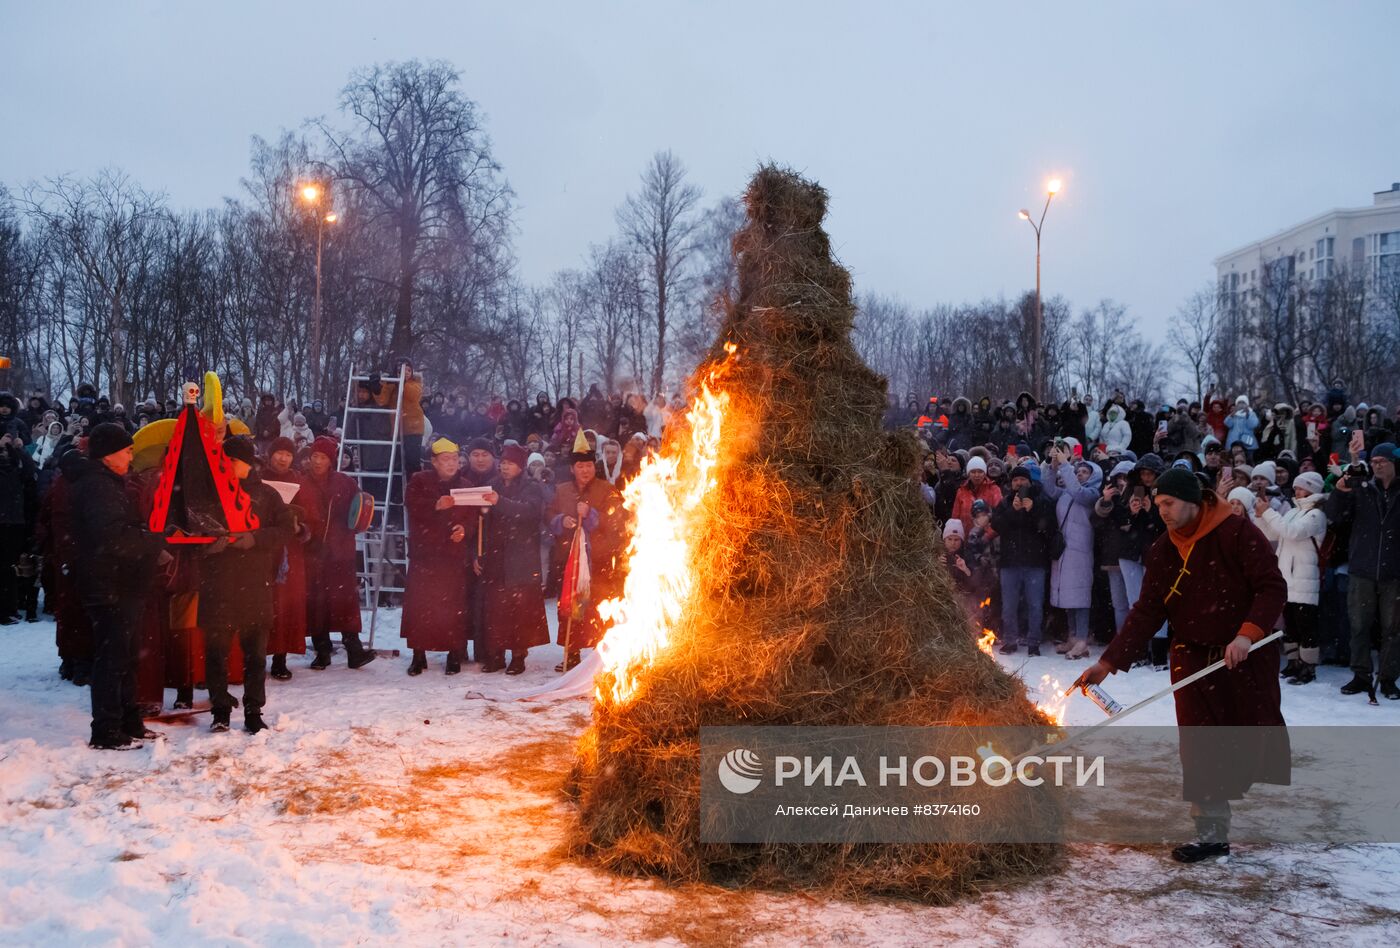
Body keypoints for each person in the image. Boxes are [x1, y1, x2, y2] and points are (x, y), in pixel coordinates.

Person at [1074, 467, 1288, 863]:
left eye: (1169, 503)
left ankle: (1221, 811)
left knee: (1240, 739)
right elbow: (1147, 611)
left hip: (1240, 657)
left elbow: (1272, 586)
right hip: (1190, 657)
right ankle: (1210, 831)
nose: (1163, 511)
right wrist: (1107, 662)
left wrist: (1246, 634)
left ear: (1193, 500)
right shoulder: (1161, 549)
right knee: (1200, 747)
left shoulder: (1237, 532)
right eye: (1158, 504)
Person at [70, 423, 167, 750]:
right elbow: (111, 537)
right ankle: (106, 730)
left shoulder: (110, 483)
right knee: (113, 658)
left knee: (126, 656)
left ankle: (129, 721)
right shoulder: (97, 487)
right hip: (108, 583)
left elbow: (121, 529)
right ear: (109, 455)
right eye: (126, 450)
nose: (131, 455)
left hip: (121, 582)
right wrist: (152, 541)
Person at [198, 436, 294, 733]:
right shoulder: (207, 493)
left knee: (255, 654)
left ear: (248, 463)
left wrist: (254, 539)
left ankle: (253, 709)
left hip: (254, 583)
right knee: (216, 652)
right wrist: (204, 546)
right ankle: (219, 708)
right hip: (218, 584)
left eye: (233, 461)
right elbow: (188, 531)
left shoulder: (266, 494)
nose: (226, 467)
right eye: (223, 461)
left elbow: (285, 529)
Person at [1325, 442, 1400, 699]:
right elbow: (1335, 515)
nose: (1378, 464)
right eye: (1375, 460)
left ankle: (1388, 679)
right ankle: (1361, 674)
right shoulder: (1363, 489)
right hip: (1362, 569)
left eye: (1383, 460)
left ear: (1393, 463)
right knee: (1359, 625)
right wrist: (1339, 491)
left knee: (1393, 629)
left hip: (1394, 571)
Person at [549, 431, 626, 672]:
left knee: (597, 607)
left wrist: (591, 515)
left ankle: (598, 656)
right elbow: (548, 515)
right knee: (572, 608)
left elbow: (617, 521)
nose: (585, 470)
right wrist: (562, 521)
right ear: (573, 468)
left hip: (599, 560)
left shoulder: (607, 489)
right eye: (580, 466)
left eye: (589, 465)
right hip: (570, 559)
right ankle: (571, 654)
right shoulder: (561, 490)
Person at [402, 438, 475, 675]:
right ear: (434, 462)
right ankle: (418, 654)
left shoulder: (466, 485)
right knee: (421, 606)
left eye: (454, 459)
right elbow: (411, 504)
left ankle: (454, 654)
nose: (451, 464)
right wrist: (435, 504)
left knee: (452, 607)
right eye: (445, 460)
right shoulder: (419, 481)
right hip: (425, 555)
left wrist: (464, 531)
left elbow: (473, 518)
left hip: (452, 557)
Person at [301, 436, 375, 670]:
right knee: (317, 602)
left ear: (330, 460)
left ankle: (354, 650)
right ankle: (322, 652)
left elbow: (360, 508)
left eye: (322, 457)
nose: (317, 461)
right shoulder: (301, 484)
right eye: (314, 456)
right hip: (313, 551)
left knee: (345, 602)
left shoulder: (345, 482)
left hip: (341, 551)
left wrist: (359, 523)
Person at [479, 443, 550, 674]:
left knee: (520, 609)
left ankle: (518, 655)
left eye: (509, 463)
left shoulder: (532, 487)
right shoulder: (494, 485)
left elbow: (528, 512)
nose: (504, 467)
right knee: (497, 608)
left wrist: (499, 502)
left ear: (520, 466)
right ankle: (496, 654)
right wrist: (484, 511)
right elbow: (484, 519)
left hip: (521, 557)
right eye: (503, 463)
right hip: (497, 556)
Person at [1253, 471, 1328, 685]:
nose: (1297, 490)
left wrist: (1268, 512)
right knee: (1291, 624)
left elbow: (1292, 532)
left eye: (1302, 487)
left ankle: (1308, 667)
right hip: (1287, 577)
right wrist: (1261, 516)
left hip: (1304, 578)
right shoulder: (1294, 512)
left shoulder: (1316, 515)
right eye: (1296, 487)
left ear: (1313, 489)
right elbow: (1273, 534)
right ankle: (1294, 662)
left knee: (1306, 626)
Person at [1041, 448, 1102, 659]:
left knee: (1080, 597)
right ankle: (1073, 637)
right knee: (1068, 595)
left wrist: (1066, 464)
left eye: (1085, 472)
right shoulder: (1067, 492)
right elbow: (1049, 489)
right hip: (1064, 550)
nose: (1080, 474)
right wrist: (1053, 466)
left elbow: (1078, 492)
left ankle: (1083, 640)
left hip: (1080, 551)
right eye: (1079, 471)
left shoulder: (1092, 494)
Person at [991, 464, 1056, 655]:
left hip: (1035, 562)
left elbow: (1049, 527)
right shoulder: (1005, 502)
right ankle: (1010, 640)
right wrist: (1012, 510)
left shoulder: (1042, 499)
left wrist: (1033, 510)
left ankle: (1033, 641)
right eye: (1016, 480)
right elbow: (997, 526)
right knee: (1009, 605)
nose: (1019, 483)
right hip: (1010, 563)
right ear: (1012, 483)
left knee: (1035, 604)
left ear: (1029, 481)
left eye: (1022, 479)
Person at [262, 437, 308, 679]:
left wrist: (300, 527)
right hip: (262, 549)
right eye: (278, 453)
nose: (283, 458)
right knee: (261, 604)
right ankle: (257, 655)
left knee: (286, 604)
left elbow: (310, 516)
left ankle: (280, 657)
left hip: (290, 552)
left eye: (288, 454)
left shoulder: (299, 481)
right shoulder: (258, 477)